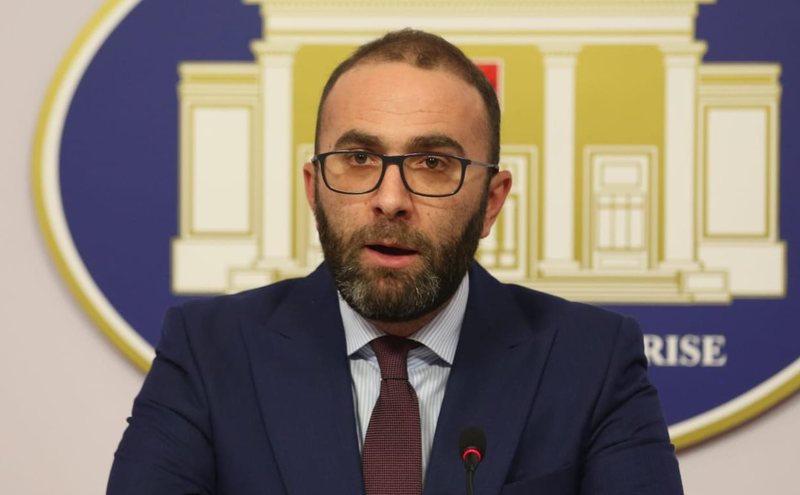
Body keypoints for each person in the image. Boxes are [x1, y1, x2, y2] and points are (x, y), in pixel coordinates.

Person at [108, 29, 683, 495]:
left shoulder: (592, 362)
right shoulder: (209, 353)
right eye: (359, 157)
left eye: (432, 163)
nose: (390, 199)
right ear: (314, 188)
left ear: (491, 202)